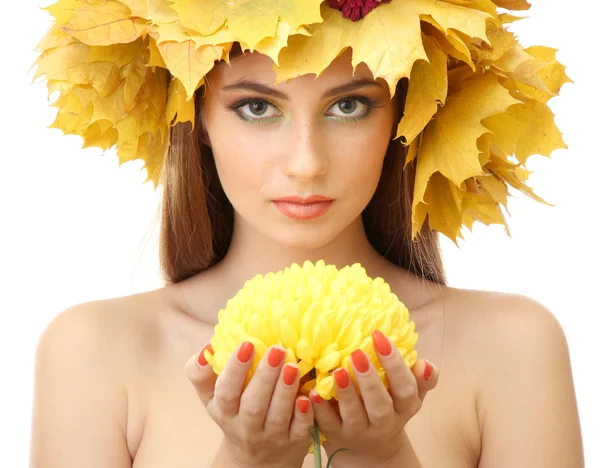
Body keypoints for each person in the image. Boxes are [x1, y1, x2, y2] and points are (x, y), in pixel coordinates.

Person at [29, 1, 584, 467]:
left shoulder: (514, 345)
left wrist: (386, 457)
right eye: (255, 107)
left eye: (348, 106)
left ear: (405, 114)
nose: (306, 164)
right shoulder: (92, 351)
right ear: (196, 115)